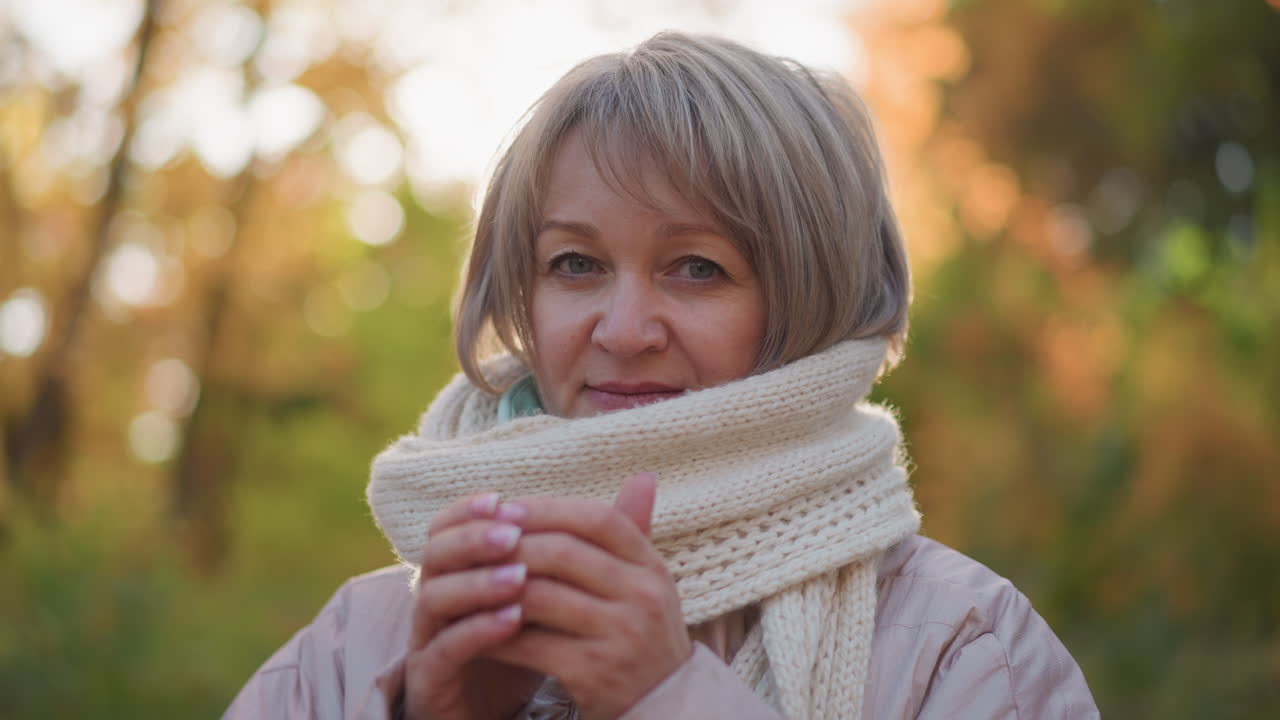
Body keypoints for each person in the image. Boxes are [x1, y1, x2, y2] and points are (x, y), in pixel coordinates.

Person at [225, 32, 1099, 720]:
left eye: (697, 268)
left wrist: (669, 699)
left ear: (808, 299)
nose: (625, 329)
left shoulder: (959, 645)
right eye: (574, 263)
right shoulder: (353, 652)